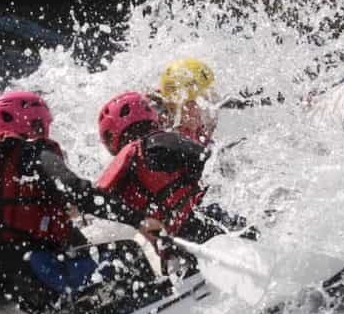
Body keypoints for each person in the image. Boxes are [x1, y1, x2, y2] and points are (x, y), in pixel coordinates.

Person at [0, 91, 163, 314]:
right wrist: (139, 221)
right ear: (33, 123)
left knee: (66, 296)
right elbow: (80, 191)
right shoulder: (33, 152)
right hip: (37, 274)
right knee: (127, 255)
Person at [93, 91, 251, 245]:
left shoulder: (125, 172)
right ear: (149, 114)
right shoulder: (160, 142)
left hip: (176, 241)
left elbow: (98, 204)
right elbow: (209, 161)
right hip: (206, 223)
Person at [158, 57, 220, 147]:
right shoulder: (174, 141)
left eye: (212, 99)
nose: (212, 107)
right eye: (205, 101)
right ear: (183, 106)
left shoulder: (200, 131)